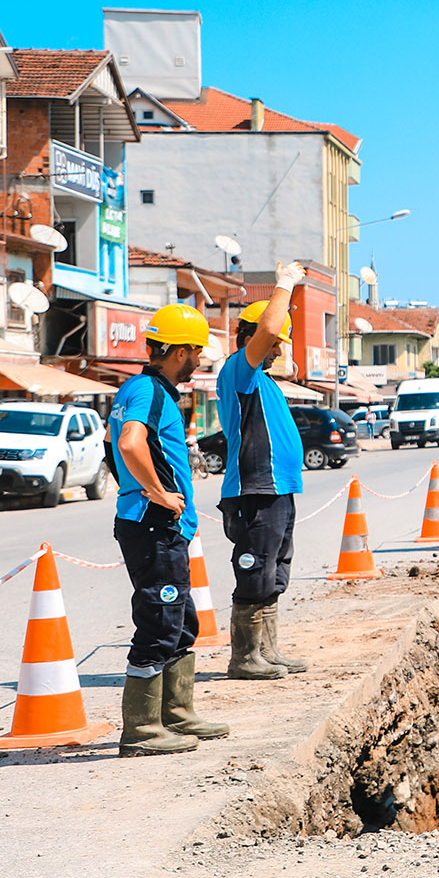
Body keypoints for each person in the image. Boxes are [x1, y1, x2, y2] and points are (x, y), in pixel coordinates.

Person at [110, 303, 230, 757]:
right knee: (160, 622)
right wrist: (157, 494)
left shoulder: (134, 389)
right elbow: (128, 442)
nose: (198, 362)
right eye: (196, 353)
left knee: (180, 621)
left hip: (154, 524)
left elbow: (110, 446)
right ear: (179, 351)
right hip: (153, 524)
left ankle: (175, 715)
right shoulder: (150, 392)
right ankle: (141, 730)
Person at [218, 261, 308, 681]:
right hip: (256, 488)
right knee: (255, 569)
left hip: (278, 489)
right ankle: (245, 656)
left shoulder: (264, 379)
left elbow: (275, 339)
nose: (277, 349)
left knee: (275, 568)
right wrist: (285, 283)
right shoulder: (241, 368)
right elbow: (268, 331)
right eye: (274, 344)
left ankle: (267, 650)